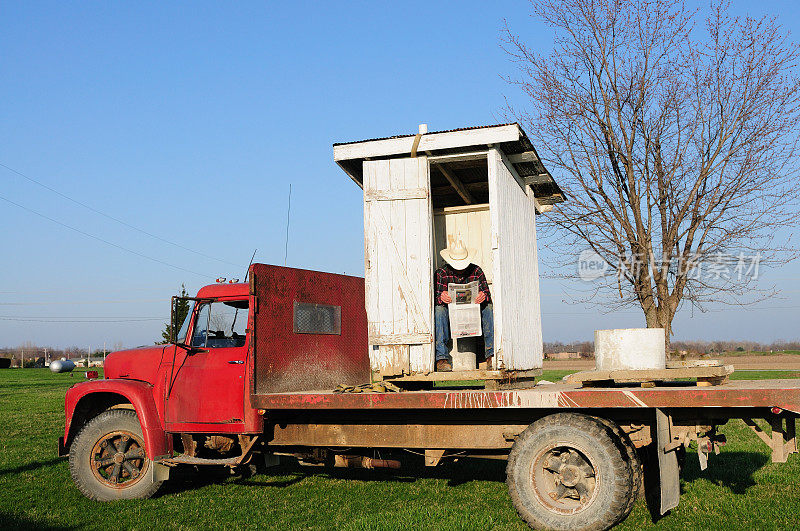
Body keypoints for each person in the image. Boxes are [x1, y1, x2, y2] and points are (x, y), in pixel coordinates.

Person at [434, 241, 494, 372]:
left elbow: (488, 296)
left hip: (473, 313)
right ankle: (441, 359)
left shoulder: (477, 271)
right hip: (450, 314)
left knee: (488, 308)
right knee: (439, 310)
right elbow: (435, 299)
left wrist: (483, 296)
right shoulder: (442, 273)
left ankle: (491, 356)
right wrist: (441, 297)